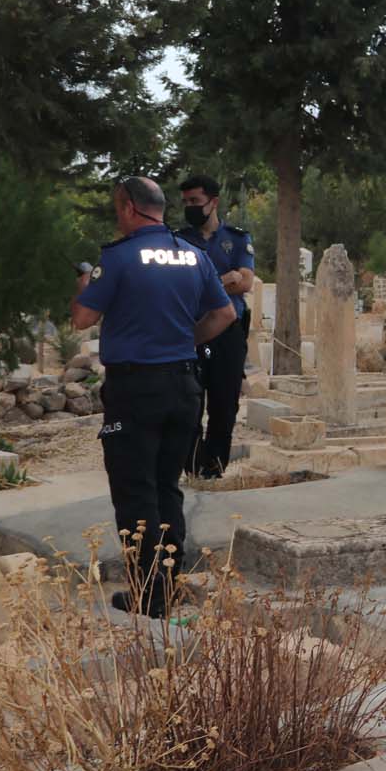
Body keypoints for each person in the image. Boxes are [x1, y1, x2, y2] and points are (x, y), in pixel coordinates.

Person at [71, 177, 234, 616]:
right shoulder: (194, 255)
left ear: (128, 207)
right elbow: (224, 313)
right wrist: (184, 341)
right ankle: (170, 584)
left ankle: (148, 594)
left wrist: (85, 283)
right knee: (166, 486)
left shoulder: (118, 257)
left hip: (135, 389)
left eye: (116, 209)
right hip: (184, 385)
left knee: (135, 489)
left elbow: (83, 318)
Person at [176, 175, 254, 478]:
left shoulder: (236, 238)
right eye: (186, 202)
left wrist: (208, 285)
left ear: (214, 202)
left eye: (195, 201)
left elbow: (245, 282)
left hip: (228, 333)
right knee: (189, 403)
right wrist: (224, 280)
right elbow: (181, 286)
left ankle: (214, 469)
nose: (190, 207)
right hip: (192, 331)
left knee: (224, 404)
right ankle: (193, 466)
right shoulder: (178, 240)